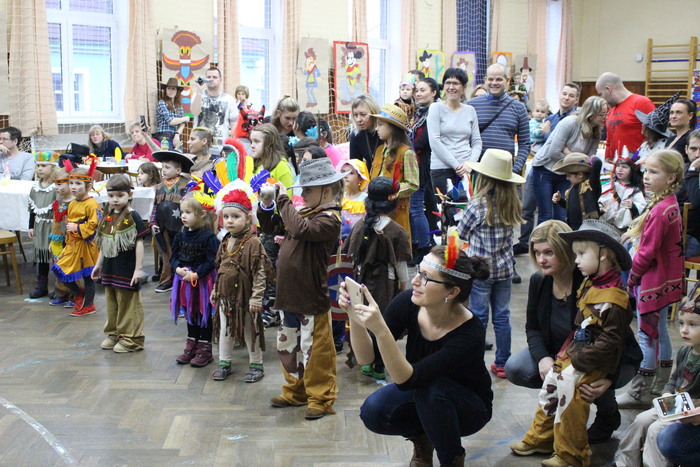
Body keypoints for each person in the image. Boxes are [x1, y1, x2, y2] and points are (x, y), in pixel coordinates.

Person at [338, 246, 493, 467]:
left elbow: (407, 379)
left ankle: (452, 459)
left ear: (452, 292)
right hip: (423, 392)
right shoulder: (408, 302)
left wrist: (381, 331)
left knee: (432, 392)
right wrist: (354, 316)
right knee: (374, 411)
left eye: (425, 277)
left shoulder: (470, 334)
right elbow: (365, 358)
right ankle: (422, 439)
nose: (415, 281)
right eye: (418, 271)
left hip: (469, 409)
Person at [511, 219, 633, 467]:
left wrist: (608, 378)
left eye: (549, 252)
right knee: (526, 372)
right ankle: (542, 437)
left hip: (607, 359)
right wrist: (545, 358)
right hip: (570, 353)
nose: (541, 259)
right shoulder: (540, 281)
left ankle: (576, 447)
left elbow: (618, 342)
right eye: (537, 253)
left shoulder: (593, 283)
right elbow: (533, 327)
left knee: (575, 391)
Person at [257, 158, 345, 420]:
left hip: (311, 296)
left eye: (307, 190)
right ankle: (296, 391)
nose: (303, 195)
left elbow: (300, 229)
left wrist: (284, 201)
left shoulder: (330, 219)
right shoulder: (305, 212)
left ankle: (321, 398)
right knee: (289, 347)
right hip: (289, 294)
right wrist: (267, 205)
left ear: (326, 191)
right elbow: (270, 227)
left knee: (316, 351)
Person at [617, 149, 685, 408]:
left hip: (652, 282)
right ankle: (658, 386)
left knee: (647, 335)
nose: (646, 176)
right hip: (665, 280)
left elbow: (646, 252)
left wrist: (631, 278)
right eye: (646, 171)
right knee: (660, 333)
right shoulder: (668, 203)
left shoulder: (660, 210)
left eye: (654, 172)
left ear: (671, 178)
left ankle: (640, 392)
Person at [457, 148, 525, 378]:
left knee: (478, 315)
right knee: (502, 316)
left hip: (480, 270)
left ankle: (473, 360)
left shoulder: (477, 205)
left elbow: (462, 233)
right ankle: (503, 362)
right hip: (504, 270)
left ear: (483, 178)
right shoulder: (513, 203)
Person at [615, 288, 700, 467]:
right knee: (641, 420)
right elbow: (673, 379)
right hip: (676, 405)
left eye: (693, 325)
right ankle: (625, 463)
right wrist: (667, 393)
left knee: (655, 430)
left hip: (692, 413)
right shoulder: (685, 351)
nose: (684, 330)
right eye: (681, 323)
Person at [345, 176, 411, 380]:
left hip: (360, 282)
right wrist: (404, 287)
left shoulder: (360, 225)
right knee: (383, 323)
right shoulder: (396, 231)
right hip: (385, 285)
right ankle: (380, 365)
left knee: (362, 320)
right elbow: (400, 265)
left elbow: (349, 255)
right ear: (393, 202)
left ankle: (365, 360)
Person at [211, 188, 270, 383]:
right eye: (226, 216)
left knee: (250, 330)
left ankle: (256, 364)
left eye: (235, 216)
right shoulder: (226, 240)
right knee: (225, 329)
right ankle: (224, 361)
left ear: (248, 218)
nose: (229, 221)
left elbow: (260, 272)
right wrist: (215, 289)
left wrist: (256, 297)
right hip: (225, 296)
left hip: (246, 297)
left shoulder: (253, 242)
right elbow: (220, 267)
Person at [514, 82, 581, 255]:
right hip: (540, 166)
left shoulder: (575, 121)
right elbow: (546, 144)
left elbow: (562, 146)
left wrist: (547, 134)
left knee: (555, 212)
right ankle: (525, 242)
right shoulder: (550, 118)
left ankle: (554, 248)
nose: (566, 98)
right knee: (527, 208)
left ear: (576, 100)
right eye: (564, 93)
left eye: (571, 95)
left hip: (560, 172)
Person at [91, 175, 148, 352]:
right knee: (112, 303)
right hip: (110, 268)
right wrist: (98, 264)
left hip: (127, 269)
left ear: (129, 195)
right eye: (111, 196)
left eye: (120, 195)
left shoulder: (133, 216)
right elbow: (104, 242)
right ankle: (114, 333)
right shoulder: (108, 216)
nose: (115, 199)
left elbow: (139, 243)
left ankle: (131, 338)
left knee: (128, 305)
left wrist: (138, 269)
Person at [532, 96, 608, 224]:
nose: (605, 117)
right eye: (601, 114)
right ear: (591, 113)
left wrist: (568, 153)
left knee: (562, 213)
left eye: (606, 114)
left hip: (568, 173)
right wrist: (575, 161)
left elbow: (588, 159)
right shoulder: (570, 123)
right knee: (546, 214)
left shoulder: (597, 131)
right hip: (546, 169)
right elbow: (554, 152)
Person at [170, 194, 219, 367]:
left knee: (203, 312)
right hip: (185, 281)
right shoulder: (180, 235)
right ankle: (192, 344)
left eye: (188, 212)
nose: (183, 216)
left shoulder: (209, 238)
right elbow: (173, 257)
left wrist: (196, 275)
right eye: (182, 212)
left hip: (202, 282)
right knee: (190, 311)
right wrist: (177, 269)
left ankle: (205, 348)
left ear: (202, 214)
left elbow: (212, 261)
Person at [51, 167, 101, 316]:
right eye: (71, 183)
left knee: (88, 277)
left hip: (86, 247)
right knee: (60, 270)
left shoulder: (91, 204)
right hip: (72, 245)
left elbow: (95, 225)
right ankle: (79, 294)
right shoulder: (72, 204)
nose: (73, 187)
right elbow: (68, 226)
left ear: (88, 186)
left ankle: (89, 305)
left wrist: (77, 227)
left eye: (78, 183)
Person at [427, 67, 482, 198]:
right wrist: (457, 166)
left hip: (467, 169)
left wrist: (470, 164)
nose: (451, 87)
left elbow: (477, 141)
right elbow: (434, 142)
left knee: (468, 208)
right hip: (442, 168)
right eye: (448, 83)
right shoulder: (435, 108)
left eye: (456, 83)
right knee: (446, 208)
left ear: (464, 87)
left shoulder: (470, 110)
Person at [369, 104, 419, 245]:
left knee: (396, 247)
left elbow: (413, 184)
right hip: (375, 211)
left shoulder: (406, 153)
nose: (376, 128)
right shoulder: (379, 150)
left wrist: (390, 193)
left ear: (392, 127)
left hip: (396, 212)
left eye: (380, 124)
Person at [469, 63, 530, 175]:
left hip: (505, 173)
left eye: (499, 79)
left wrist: (514, 170)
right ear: (485, 80)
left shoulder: (519, 108)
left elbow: (525, 144)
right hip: (477, 171)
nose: (494, 83)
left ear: (507, 80)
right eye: (490, 79)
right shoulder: (471, 105)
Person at [151, 150, 193, 293]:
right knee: (167, 253)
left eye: (167, 167)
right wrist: (153, 222)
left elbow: (190, 206)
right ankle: (168, 279)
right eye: (162, 167)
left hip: (181, 227)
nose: (164, 170)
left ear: (178, 170)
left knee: (183, 253)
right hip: (163, 227)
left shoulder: (186, 186)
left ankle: (182, 279)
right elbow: (154, 207)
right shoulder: (159, 187)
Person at [410, 77, 440, 264]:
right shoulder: (419, 114)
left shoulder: (434, 114)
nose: (418, 94)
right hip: (416, 164)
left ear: (434, 92)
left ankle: (423, 247)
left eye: (423, 90)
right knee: (416, 207)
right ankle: (418, 243)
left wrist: (406, 145)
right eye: (417, 90)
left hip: (425, 167)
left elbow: (422, 142)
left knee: (416, 208)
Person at [596, 72, 655, 160]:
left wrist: (637, 160)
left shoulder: (641, 103)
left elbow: (655, 137)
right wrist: (608, 159)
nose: (601, 99)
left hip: (637, 163)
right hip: (616, 166)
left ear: (609, 89)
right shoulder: (612, 109)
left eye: (601, 94)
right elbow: (609, 140)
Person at [27, 152, 58, 299]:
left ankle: (60, 286)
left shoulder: (55, 187)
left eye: (44, 165)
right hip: (39, 225)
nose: (39, 168)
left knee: (56, 255)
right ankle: (41, 285)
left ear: (52, 168)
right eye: (38, 165)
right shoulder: (35, 187)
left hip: (53, 225)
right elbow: (32, 209)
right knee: (41, 255)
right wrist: (31, 226)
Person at [191, 67, 237, 153]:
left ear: (220, 80)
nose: (211, 79)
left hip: (220, 148)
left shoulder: (229, 100)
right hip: (199, 149)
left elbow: (234, 126)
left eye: (215, 77)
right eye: (208, 77)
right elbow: (194, 112)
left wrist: (234, 146)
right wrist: (199, 91)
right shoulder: (197, 95)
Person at [552, 153, 603, 230]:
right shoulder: (571, 190)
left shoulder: (591, 187)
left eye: (569, 176)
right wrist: (560, 200)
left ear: (580, 175)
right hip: (573, 229)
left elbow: (597, 162)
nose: (567, 178)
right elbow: (571, 207)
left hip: (588, 230)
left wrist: (589, 159)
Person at [599, 151, 647, 233]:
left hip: (620, 230)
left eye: (624, 167)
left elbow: (642, 207)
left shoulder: (635, 190)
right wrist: (600, 207)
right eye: (618, 166)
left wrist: (633, 206)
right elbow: (600, 198)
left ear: (632, 171)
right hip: (602, 224)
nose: (620, 169)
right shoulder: (609, 184)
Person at [47, 168, 74, 308]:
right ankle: (61, 294)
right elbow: (56, 223)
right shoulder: (58, 203)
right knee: (58, 266)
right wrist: (52, 241)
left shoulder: (76, 203)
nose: (57, 187)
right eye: (55, 184)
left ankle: (75, 295)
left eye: (60, 184)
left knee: (72, 268)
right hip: (58, 241)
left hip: (72, 242)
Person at [249, 123, 295, 195]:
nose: (252, 145)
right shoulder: (255, 164)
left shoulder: (282, 167)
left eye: (256, 141)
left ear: (269, 144)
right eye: (251, 141)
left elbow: (287, 197)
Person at [633, 92, 678, 164]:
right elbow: (633, 159)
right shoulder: (644, 145)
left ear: (651, 129)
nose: (642, 125)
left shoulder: (665, 146)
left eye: (645, 124)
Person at [680, 129, 700, 257]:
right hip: (673, 232)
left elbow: (696, 202)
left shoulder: (691, 170)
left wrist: (694, 170)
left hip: (694, 237)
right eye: (693, 149)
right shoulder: (680, 170)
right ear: (686, 149)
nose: (698, 155)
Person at [156, 77, 189, 150]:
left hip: (176, 137)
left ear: (177, 91)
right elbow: (171, 121)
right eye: (169, 88)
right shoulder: (162, 103)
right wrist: (185, 118)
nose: (171, 91)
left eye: (173, 89)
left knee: (180, 156)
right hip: (164, 138)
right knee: (168, 157)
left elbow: (183, 123)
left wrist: (177, 134)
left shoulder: (178, 105)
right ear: (166, 90)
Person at [349, 94, 381, 168]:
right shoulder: (356, 135)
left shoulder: (386, 131)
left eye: (363, 114)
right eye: (355, 115)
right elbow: (355, 166)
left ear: (374, 113)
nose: (358, 119)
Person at [339, 159, 369, 241]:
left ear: (360, 179)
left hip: (357, 240)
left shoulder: (365, 200)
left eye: (351, 173)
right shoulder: (338, 197)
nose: (345, 176)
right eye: (343, 172)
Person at [666, 98, 697, 163]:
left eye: (679, 113)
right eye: (672, 112)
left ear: (690, 115)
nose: (673, 116)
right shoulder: (671, 139)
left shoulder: (691, 138)